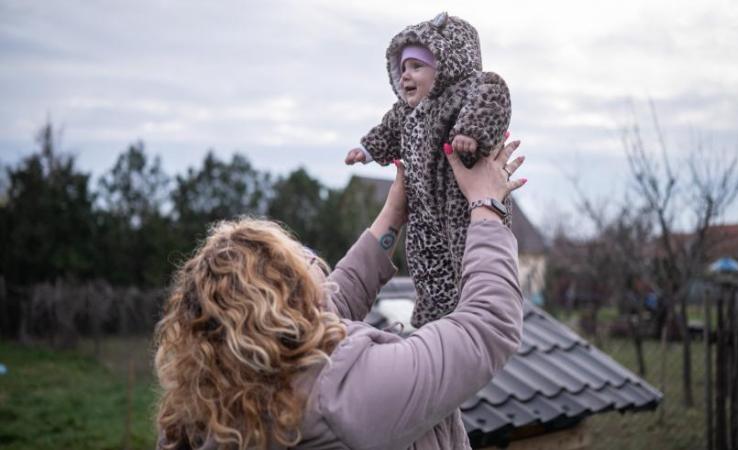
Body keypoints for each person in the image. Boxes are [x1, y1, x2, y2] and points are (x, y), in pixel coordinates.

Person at [154, 139, 527, 449]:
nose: (318, 265)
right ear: (288, 299)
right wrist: (486, 204)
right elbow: (487, 326)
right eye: (306, 260)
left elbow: (332, 304)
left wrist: (394, 213)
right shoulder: (346, 395)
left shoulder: (209, 402)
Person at [344, 12, 513, 328]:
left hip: (464, 199)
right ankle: (432, 317)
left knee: (469, 256)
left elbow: (492, 99)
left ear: (446, 67)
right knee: (426, 263)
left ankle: (476, 313)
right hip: (423, 209)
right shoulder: (405, 113)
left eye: (417, 67)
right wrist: (366, 150)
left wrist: (470, 132)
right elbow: (388, 131)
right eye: (403, 68)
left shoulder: (470, 88)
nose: (406, 76)